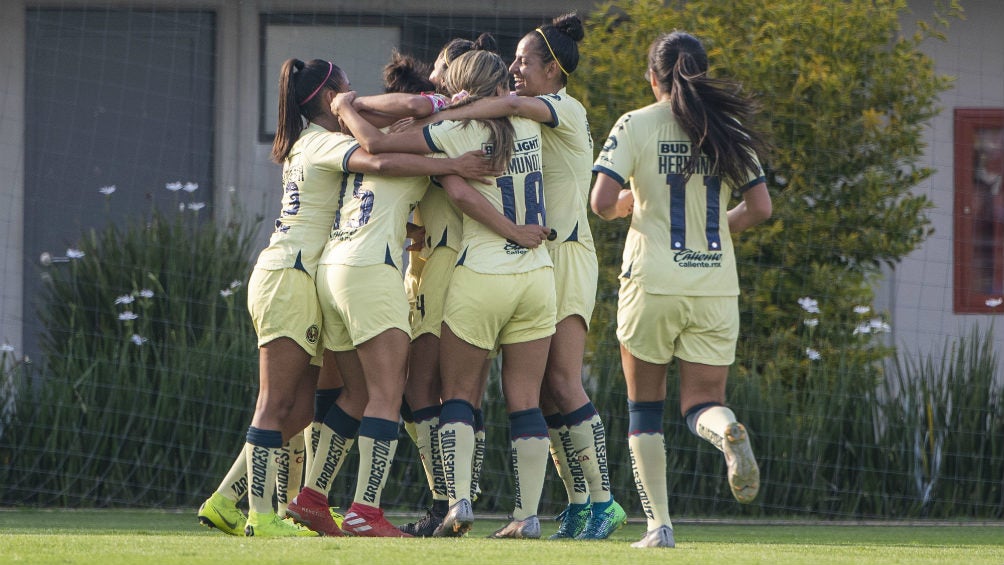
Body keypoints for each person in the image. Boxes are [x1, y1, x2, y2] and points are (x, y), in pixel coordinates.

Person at [198, 57, 499, 538]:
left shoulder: (334, 142)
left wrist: (410, 224)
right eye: (346, 90)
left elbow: (376, 163)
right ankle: (356, 511)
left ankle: (309, 498)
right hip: (338, 271)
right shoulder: (343, 141)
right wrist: (449, 135)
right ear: (331, 94)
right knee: (375, 393)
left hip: (326, 271)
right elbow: (383, 155)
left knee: (342, 396)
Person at [335, 48, 555, 539]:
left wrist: (345, 104)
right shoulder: (534, 126)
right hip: (539, 274)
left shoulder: (451, 131)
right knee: (524, 398)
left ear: (459, 87)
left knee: (453, 393)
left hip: (479, 270)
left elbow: (380, 145)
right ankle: (527, 515)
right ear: (503, 89)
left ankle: (454, 500)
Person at [427, 13, 626, 540]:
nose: (514, 69)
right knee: (537, 394)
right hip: (537, 259)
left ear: (553, 70)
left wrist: (452, 105)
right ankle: (578, 502)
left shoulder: (560, 108)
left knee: (561, 382)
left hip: (562, 254)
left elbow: (508, 108)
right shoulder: (530, 120)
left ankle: (603, 499)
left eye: (524, 61)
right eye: (510, 62)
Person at [590, 31, 772, 549]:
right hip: (714, 283)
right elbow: (760, 209)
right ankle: (727, 430)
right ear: (703, 73)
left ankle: (659, 527)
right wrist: (710, 230)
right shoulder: (727, 127)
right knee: (702, 404)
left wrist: (626, 204)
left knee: (644, 409)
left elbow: (600, 201)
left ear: (653, 78)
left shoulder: (635, 123)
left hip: (652, 282)